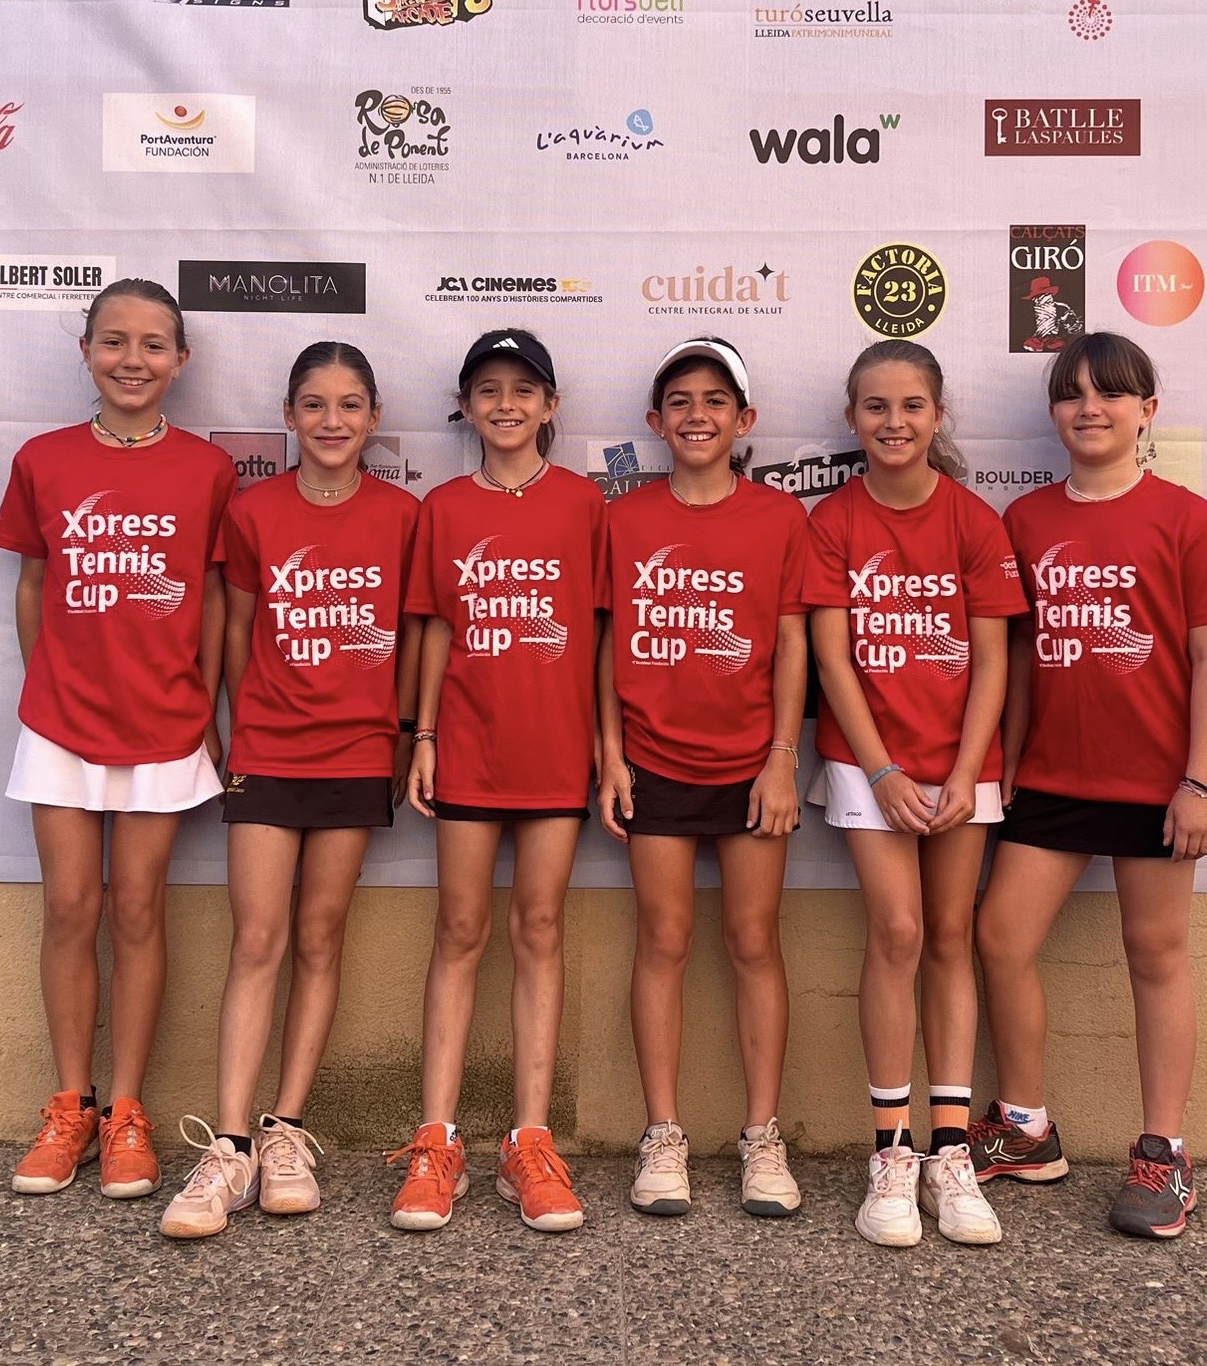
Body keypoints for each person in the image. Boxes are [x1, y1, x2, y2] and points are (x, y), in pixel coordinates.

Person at [970, 331, 1207, 1239]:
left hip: (1157, 782)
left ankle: (1164, 1154)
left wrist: (1200, 782)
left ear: (1146, 411)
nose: (1089, 407)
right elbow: (1016, 654)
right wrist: (1010, 757)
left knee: (1155, 953)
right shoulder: (1025, 521)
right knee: (1000, 937)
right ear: (1054, 412)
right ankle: (1025, 1127)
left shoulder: (1186, 519)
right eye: (1071, 393)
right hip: (1052, 776)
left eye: (1111, 392)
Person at [160, 343, 421, 1239]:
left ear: (374, 417)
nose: (332, 421)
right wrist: (236, 726)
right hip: (269, 749)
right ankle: (229, 1145)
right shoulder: (253, 510)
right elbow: (235, 627)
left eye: (350, 404)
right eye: (314, 404)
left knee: (319, 936)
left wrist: (402, 734)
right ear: (288, 415)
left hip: (357, 751)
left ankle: (285, 1134)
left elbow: (413, 633)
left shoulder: (403, 515)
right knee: (258, 939)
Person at [0, 278, 236, 1200]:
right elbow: (33, 583)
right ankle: (71, 1108)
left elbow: (213, 598)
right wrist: (44, 682)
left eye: (152, 344)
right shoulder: (43, 459)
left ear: (181, 359)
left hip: (166, 722)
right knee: (69, 908)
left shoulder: (208, 470)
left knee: (137, 911)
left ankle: (128, 1111)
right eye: (114, 342)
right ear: (87, 351)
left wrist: (205, 708)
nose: (133, 360)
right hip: (59, 723)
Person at [804, 340, 1028, 1247]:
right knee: (896, 931)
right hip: (869, 763)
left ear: (938, 415)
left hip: (965, 763)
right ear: (852, 418)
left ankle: (951, 1153)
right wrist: (884, 771)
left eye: (910, 406)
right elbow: (831, 659)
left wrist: (966, 776)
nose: (893, 422)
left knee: (949, 935)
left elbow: (993, 663)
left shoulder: (975, 521)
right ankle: (891, 1154)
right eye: (876, 407)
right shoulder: (832, 520)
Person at [387, 329, 607, 1234]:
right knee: (460, 928)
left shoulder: (585, 504)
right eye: (488, 389)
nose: (506, 404)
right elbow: (436, 627)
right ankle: (437, 1142)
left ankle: (530, 1143)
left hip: (554, 751)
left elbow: (601, 633)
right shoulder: (442, 508)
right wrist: (423, 736)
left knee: (541, 928)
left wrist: (605, 747)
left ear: (550, 405)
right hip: (468, 749)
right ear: (466, 407)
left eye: (523, 389)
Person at [597, 338, 808, 1220]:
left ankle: (763, 1137)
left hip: (753, 768)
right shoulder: (623, 519)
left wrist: (782, 758)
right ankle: (663, 1135)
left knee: (754, 942)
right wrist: (611, 755)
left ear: (744, 419)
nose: (697, 415)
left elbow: (791, 643)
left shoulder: (780, 519)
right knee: (664, 940)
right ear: (655, 421)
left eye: (716, 401)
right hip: (654, 762)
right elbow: (608, 641)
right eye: (680, 401)